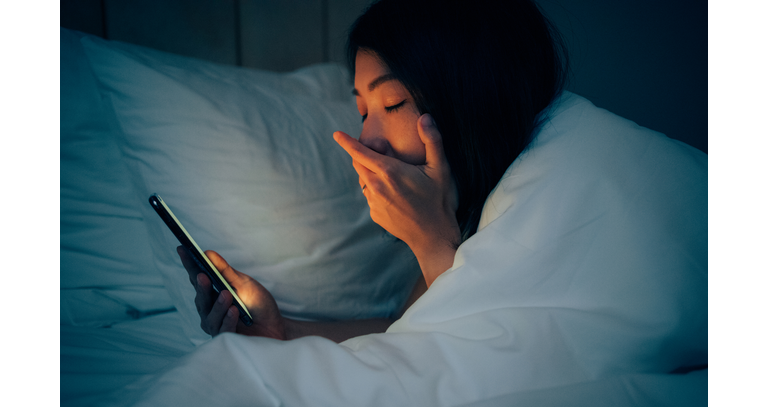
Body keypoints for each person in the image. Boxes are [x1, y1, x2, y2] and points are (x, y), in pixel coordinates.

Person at [178, 0, 569, 343]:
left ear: (472, 94)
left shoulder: (550, 197)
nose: (368, 140)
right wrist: (280, 330)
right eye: (364, 111)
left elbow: (490, 356)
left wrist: (431, 240)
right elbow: (408, 327)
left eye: (394, 103)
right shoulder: (469, 209)